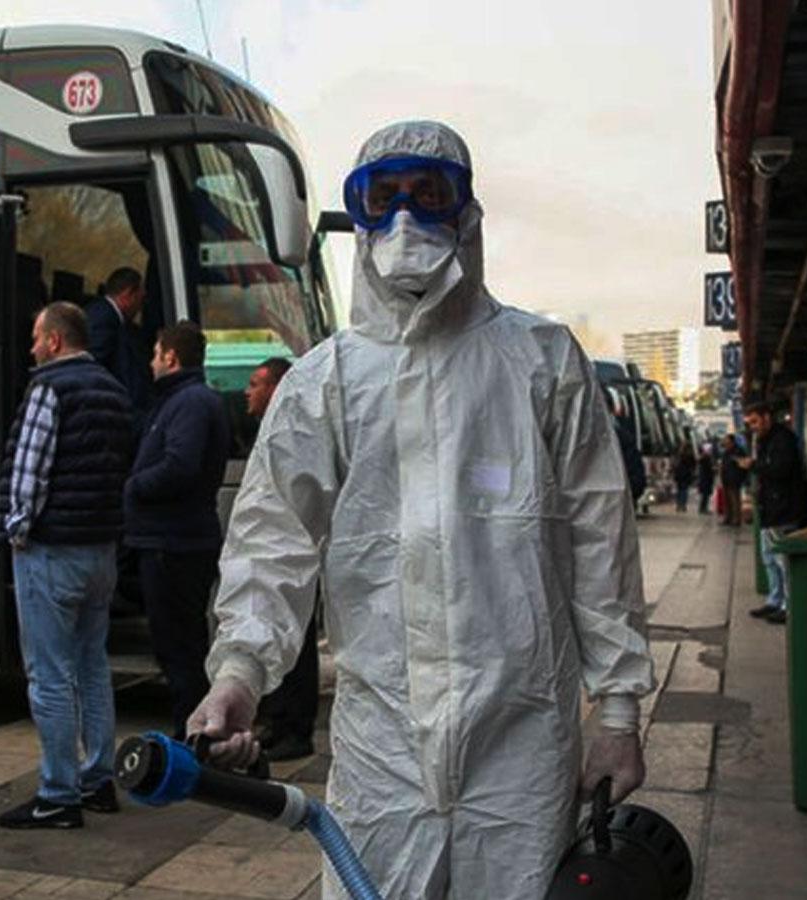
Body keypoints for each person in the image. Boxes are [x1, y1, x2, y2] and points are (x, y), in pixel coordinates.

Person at [187, 121, 656, 899]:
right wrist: (240, 673)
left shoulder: (542, 361)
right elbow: (274, 542)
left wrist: (616, 716)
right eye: (383, 198)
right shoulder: (323, 383)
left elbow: (601, 538)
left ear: (466, 213)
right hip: (383, 746)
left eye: (428, 194)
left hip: (522, 737)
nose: (405, 219)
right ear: (358, 217)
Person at [0, 301, 132, 830]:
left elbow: (30, 470)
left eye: (35, 336)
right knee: (92, 668)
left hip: (53, 551)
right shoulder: (114, 391)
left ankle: (57, 794)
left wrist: (16, 532)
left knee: (48, 675)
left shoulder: (49, 388)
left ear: (54, 340)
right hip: (100, 550)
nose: (31, 347)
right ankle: (98, 778)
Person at [125, 321, 232, 739]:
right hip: (174, 539)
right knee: (180, 646)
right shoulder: (185, 400)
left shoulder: (188, 402)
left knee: (180, 650)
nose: (151, 362)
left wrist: (134, 486)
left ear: (170, 356)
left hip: (174, 543)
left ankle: (192, 739)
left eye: (155, 353)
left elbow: (180, 465)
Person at [243, 357, 320, 761]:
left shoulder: (292, 432)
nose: (246, 392)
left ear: (277, 390)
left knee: (297, 642)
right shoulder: (267, 432)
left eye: (255, 384)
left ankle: (294, 727)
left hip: (295, 554)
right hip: (273, 551)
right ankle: (274, 720)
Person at [741, 401, 804, 625]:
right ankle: (774, 600)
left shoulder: (783, 440)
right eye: (750, 424)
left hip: (783, 510)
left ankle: (788, 606)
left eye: (756, 422)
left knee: (781, 559)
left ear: (767, 417)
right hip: (770, 509)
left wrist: (754, 465)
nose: (753, 427)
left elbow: (780, 470)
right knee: (769, 558)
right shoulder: (766, 440)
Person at [85, 267, 151, 417]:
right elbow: (94, 366)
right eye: (140, 299)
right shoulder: (103, 319)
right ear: (128, 295)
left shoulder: (109, 316)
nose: (140, 308)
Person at [720, 433, 746, 527]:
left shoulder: (738, 451)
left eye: (726, 439)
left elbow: (743, 465)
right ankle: (728, 517)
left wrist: (741, 477)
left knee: (735, 500)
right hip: (726, 478)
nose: (724, 441)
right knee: (727, 500)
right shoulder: (726, 451)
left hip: (734, 479)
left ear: (731, 441)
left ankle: (736, 519)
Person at [673, 442, 696, 512]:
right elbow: (693, 464)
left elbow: (675, 465)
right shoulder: (689, 455)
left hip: (679, 475)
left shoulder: (679, 455)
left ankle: (678, 505)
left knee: (679, 490)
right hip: (685, 475)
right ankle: (683, 505)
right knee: (684, 490)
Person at [697, 443, 717, 515]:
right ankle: (703, 508)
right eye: (709, 450)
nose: (711, 451)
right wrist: (714, 469)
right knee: (705, 495)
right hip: (706, 479)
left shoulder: (704, 458)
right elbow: (709, 469)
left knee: (705, 495)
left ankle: (703, 508)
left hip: (705, 479)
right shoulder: (706, 459)